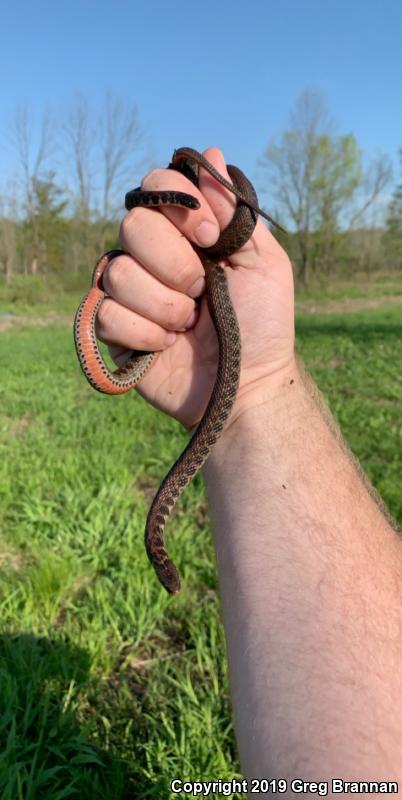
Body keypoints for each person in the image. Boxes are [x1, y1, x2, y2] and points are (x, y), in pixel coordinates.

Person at [96, 147, 402, 788]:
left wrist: (258, 390)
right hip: (222, 367)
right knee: (167, 205)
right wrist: (250, 400)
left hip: (237, 363)